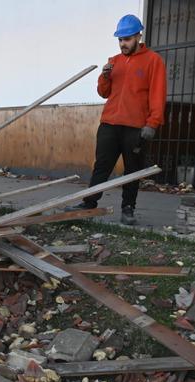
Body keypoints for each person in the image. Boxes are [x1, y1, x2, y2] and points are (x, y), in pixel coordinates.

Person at [69, 14, 166, 225]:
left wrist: (153, 123)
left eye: (128, 39)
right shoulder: (114, 62)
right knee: (101, 166)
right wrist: (104, 76)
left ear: (139, 36)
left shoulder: (153, 61)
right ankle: (89, 204)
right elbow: (103, 93)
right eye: (120, 39)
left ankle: (128, 209)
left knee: (133, 170)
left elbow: (158, 94)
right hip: (109, 124)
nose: (123, 43)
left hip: (136, 128)